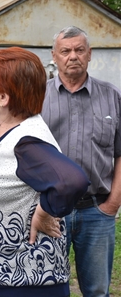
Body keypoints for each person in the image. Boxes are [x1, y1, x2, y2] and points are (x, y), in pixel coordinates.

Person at [0, 47, 89, 296]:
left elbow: (72, 180)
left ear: (3, 97)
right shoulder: (8, 130)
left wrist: (44, 212)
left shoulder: (26, 141)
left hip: (22, 282)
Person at [41, 26, 121, 297]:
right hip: (47, 211)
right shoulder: (36, 96)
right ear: (55, 56)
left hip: (96, 212)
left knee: (97, 291)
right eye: (65, 51)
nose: (72, 56)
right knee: (46, 288)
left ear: (89, 55)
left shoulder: (112, 96)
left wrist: (112, 205)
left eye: (79, 50)